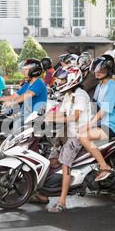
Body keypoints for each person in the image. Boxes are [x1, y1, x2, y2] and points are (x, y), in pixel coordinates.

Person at [31, 66, 91, 213]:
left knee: (65, 164)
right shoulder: (68, 95)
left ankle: (62, 201)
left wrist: (55, 118)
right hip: (65, 133)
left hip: (76, 135)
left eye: (62, 79)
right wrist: (46, 117)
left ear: (71, 80)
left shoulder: (80, 95)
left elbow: (75, 116)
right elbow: (61, 112)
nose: (58, 81)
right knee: (50, 161)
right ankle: (44, 194)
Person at [79, 54, 115, 182]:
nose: (97, 72)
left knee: (83, 136)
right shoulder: (99, 86)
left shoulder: (112, 87)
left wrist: (88, 125)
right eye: (96, 69)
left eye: (102, 69)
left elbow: (103, 111)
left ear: (108, 70)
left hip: (110, 126)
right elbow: (94, 107)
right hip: (101, 124)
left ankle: (104, 166)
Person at [0, 58, 47, 125]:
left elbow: (27, 95)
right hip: (25, 114)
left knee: (16, 123)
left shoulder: (39, 83)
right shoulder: (27, 84)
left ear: (33, 70)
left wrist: (12, 102)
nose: (24, 71)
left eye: (26, 69)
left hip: (35, 116)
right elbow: (13, 96)